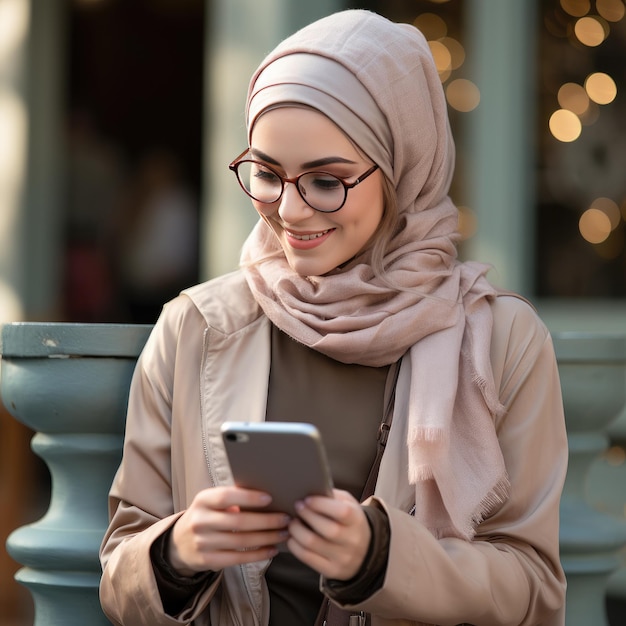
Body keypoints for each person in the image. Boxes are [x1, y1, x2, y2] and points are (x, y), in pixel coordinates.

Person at [99, 9, 568, 626]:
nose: (289, 210)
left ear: (403, 166)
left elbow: (535, 591)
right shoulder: (197, 328)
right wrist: (176, 553)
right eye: (266, 174)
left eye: (326, 181)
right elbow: (119, 571)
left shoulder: (502, 343)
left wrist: (382, 559)